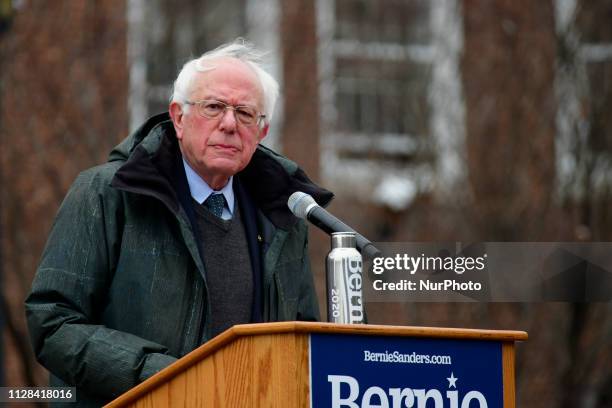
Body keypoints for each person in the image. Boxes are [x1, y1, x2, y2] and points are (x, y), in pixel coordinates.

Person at [25, 39, 333, 406]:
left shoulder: (284, 217)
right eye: (214, 107)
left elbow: (303, 350)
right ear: (178, 117)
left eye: (246, 113)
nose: (230, 124)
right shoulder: (106, 193)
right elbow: (53, 323)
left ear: (262, 132)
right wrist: (167, 378)